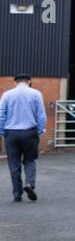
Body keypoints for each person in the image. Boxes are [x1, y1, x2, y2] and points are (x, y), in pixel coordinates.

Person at [0, 75, 46, 203]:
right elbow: (40, 114)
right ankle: (29, 184)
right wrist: (40, 130)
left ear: (15, 82)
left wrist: (1, 131)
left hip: (11, 132)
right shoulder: (36, 93)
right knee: (30, 160)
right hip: (29, 132)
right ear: (29, 82)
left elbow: (1, 114)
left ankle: (17, 193)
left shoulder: (7, 95)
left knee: (13, 163)